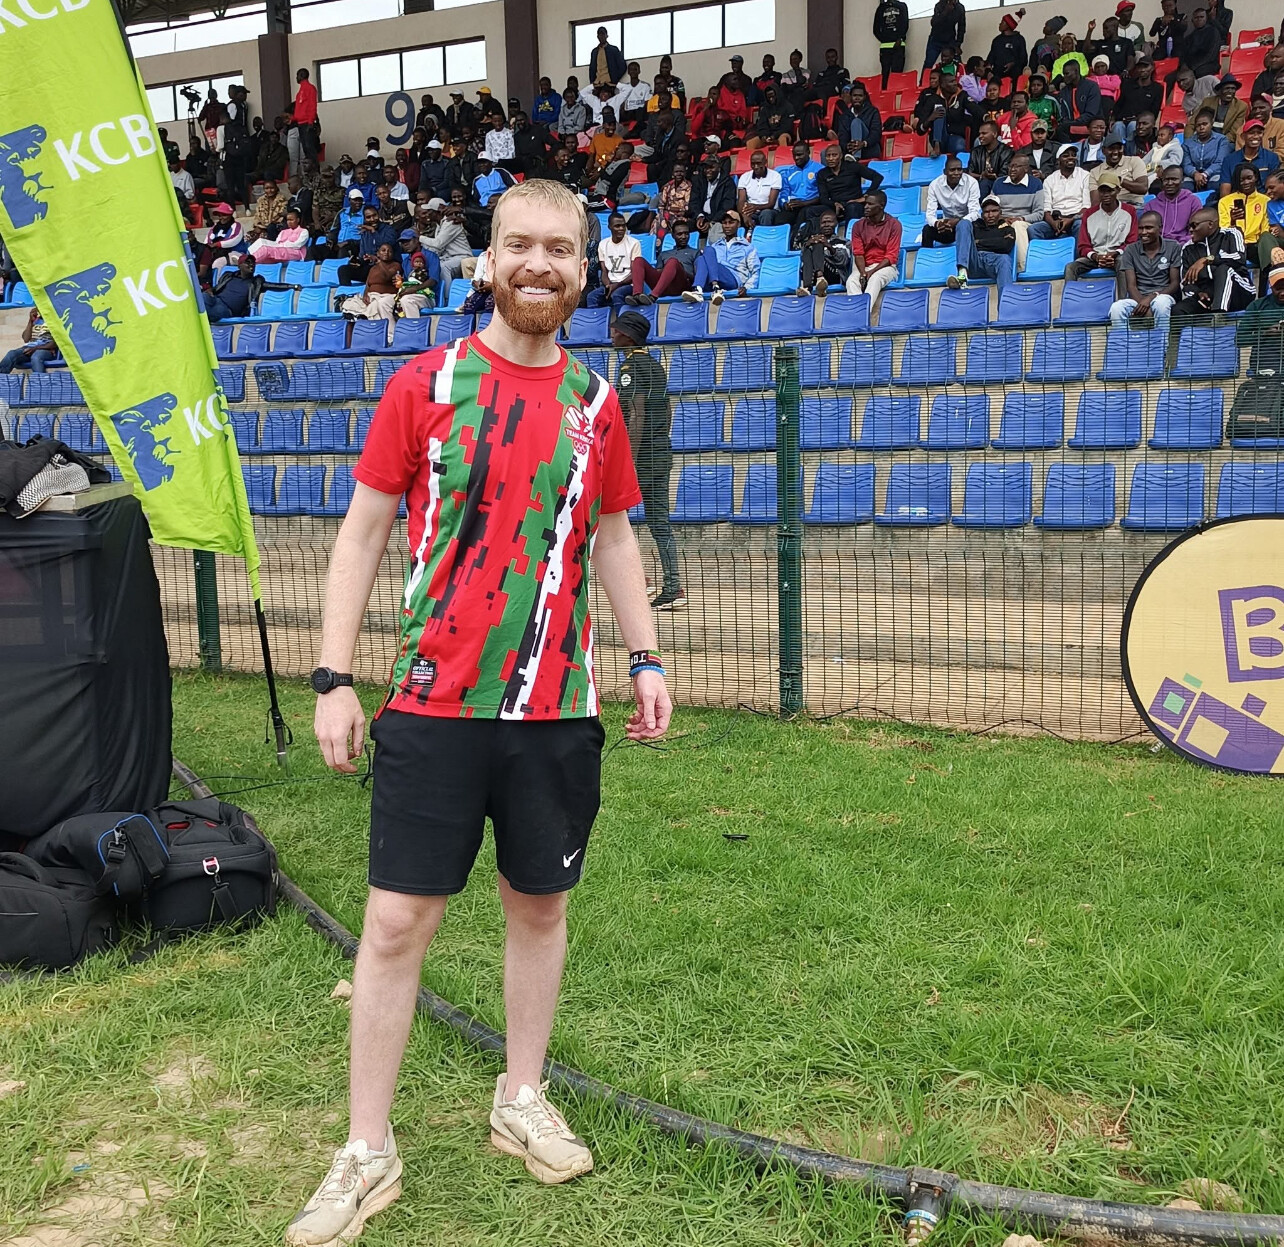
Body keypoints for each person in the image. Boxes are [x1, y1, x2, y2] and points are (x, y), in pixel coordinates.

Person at [295, 176, 670, 1247]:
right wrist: (332, 675)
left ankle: (520, 1095)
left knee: (538, 908)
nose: (538, 263)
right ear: (488, 260)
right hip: (433, 703)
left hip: (557, 708)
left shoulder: (597, 404)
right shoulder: (425, 385)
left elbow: (613, 535)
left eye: (560, 248)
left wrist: (645, 654)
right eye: (519, 245)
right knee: (394, 922)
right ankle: (366, 1147)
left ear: (584, 269)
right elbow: (363, 532)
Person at [611, 311, 685, 611]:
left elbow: (636, 412)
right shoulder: (656, 365)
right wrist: (659, 438)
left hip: (641, 457)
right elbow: (666, 409)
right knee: (659, 522)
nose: (612, 333)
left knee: (611, 519)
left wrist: (627, 457)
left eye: (617, 330)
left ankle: (639, 580)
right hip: (660, 451)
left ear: (629, 336)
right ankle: (672, 585)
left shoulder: (630, 366)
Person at [1174, 206, 1256, 315]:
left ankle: (1219, 313)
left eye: (1194, 225)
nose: (1190, 230)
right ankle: (1214, 309)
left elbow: (1240, 258)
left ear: (1210, 224)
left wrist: (1207, 259)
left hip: (1238, 291)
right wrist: (1198, 293)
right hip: (1208, 296)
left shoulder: (1231, 234)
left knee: (1223, 270)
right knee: (1178, 310)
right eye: (1189, 226)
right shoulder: (1188, 248)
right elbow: (1186, 281)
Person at [1110, 210, 1182, 329]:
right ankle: (1122, 340)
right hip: (1138, 298)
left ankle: (1161, 340)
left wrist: (1151, 298)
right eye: (1140, 228)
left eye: (1149, 228)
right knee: (1116, 308)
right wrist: (1143, 304)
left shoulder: (1173, 247)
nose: (1143, 232)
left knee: (1161, 303)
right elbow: (1131, 286)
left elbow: (1174, 283)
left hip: (1164, 296)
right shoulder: (1130, 250)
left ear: (1160, 228)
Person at [1064, 173, 1138, 278]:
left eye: (1110, 190)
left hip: (1119, 255)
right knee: (1070, 267)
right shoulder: (1089, 214)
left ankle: (1124, 290)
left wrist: (1115, 253)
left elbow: (1132, 241)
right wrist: (1096, 256)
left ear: (1118, 190)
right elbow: (1083, 245)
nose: (1106, 194)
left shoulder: (1130, 211)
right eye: (1102, 191)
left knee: (1123, 262)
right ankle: (1071, 290)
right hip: (1095, 256)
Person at [991, 152, 1055, 268]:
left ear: (1026, 169)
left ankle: (1022, 266)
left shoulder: (1035, 184)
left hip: (1024, 222)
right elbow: (991, 207)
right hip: (1002, 221)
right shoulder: (998, 183)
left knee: (1018, 225)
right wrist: (1002, 218)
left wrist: (1020, 218)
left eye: (1016, 166)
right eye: (1010, 166)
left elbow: (1039, 213)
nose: (1012, 169)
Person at [684, 210, 760, 303]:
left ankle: (706, 288)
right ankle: (704, 289)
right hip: (713, 280)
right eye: (724, 223)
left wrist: (747, 287)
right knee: (702, 257)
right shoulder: (716, 245)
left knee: (707, 251)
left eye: (731, 222)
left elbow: (755, 271)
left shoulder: (747, 247)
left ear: (738, 224)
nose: (727, 226)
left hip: (733, 279)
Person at [950, 194, 1018, 289]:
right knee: (963, 223)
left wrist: (978, 242)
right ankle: (962, 274)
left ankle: (1006, 297)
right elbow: (962, 239)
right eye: (986, 212)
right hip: (974, 260)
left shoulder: (1007, 229)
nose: (990, 215)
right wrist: (994, 242)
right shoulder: (974, 226)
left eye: (994, 211)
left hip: (994, 261)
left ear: (1000, 212)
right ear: (982, 215)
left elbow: (1006, 246)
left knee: (1005, 259)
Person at [203, 254, 298, 322]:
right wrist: (210, 290)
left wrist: (293, 286)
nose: (251, 264)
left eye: (253, 262)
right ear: (239, 266)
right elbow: (216, 288)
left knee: (208, 313)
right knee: (201, 297)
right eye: (247, 262)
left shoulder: (256, 282)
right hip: (215, 299)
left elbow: (274, 286)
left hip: (228, 309)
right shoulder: (228, 275)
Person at [624, 218, 697, 305]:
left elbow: (697, 277)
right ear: (673, 236)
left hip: (682, 285)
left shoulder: (695, 252)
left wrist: (679, 267)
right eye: (680, 234)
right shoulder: (664, 254)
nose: (684, 237)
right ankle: (637, 295)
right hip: (663, 286)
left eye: (686, 233)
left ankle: (653, 297)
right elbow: (658, 271)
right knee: (638, 260)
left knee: (673, 262)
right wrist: (667, 270)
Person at [1235, 257, 1284, 383]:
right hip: (1266, 360)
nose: (1282, 293)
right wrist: (1265, 333)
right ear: (1271, 285)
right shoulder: (1258, 306)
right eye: (1278, 288)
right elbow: (1239, 340)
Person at [848, 188, 901, 302]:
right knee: (851, 281)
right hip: (863, 267)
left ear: (881, 206)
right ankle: (857, 309)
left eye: (870, 204)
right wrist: (863, 273)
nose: (866, 207)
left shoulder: (894, 225)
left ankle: (864, 310)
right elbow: (858, 253)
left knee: (875, 279)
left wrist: (871, 272)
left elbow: (891, 256)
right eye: (865, 203)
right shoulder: (858, 226)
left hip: (885, 267)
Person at [816, 142, 883, 224]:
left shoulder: (853, 167)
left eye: (834, 155)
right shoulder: (822, 174)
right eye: (828, 156)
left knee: (852, 207)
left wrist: (866, 196)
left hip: (854, 204)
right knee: (809, 211)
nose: (831, 158)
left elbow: (877, 177)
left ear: (841, 156)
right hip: (835, 206)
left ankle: (849, 232)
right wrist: (834, 204)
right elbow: (823, 198)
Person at [924, 155, 980, 248]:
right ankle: (926, 255)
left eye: (959, 169)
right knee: (927, 230)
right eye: (952, 170)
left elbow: (974, 213)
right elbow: (930, 214)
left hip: (967, 224)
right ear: (945, 172)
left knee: (976, 226)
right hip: (948, 227)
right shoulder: (934, 185)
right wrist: (938, 224)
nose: (956, 173)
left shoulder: (972, 183)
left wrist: (959, 221)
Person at [587, 213, 640, 309]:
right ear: (609, 227)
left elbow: (635, 274)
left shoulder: (634, 243)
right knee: (591, 297)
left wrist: (617, 285)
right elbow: (604, 272)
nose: (621, 229)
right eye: (617, 226)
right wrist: (608, 286)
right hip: (611, 283)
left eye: (623, 225)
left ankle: (622, 318)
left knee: (616, 295)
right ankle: (596, 318)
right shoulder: (603, 244)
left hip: (628, 284)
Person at [795, 208, 854, 295]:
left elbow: (843, 261)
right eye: (823, 223)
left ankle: (813, 283)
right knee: (809, 247)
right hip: (814, 275)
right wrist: (807, 245)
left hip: (835, 275)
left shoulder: (844, 241)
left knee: (818, 244)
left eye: (830, 222)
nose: (826, 225)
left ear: (836, 223)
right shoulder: (813, 240)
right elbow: (804, 260)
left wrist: (828, 246)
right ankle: (814, 284)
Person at [777, 141, 825, 242]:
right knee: (780, 219)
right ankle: (779, 245)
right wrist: (785, 204)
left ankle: (795, 242)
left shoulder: (820, 170)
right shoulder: (789, 172)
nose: (796, 158)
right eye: (794, 155)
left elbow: (823, 194)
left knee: (803, 214)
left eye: (799, 155)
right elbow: (784, 192)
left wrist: (804, 203)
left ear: (808, 152)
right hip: (794, 206)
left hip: (811, 205)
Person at [339, 206, 399, 286]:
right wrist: (358, 261)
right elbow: (362, 255)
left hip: (387, 267)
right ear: (364, 219)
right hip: (370, 267)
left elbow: (386, 247)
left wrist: (373, 231)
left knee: (375, 272)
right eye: (368, 217)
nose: (372, 219)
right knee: (343, 270)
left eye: (374, 215)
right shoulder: (365, 233)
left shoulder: (389, 230)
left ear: (379, 215)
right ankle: (346, 292)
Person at [1220, 119, 1280, 196]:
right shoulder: (1229, 160)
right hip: (1237, 200)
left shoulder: (1272, 158)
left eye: (1259, 133)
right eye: (1251, 133)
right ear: (1243, 136)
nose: (1256, 136)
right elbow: (1225, 191)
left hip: (1263, 200)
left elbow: (1274, 188)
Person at [1041, 145, 1093, 234]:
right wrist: (1053, 223)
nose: (1071, 158)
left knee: (1080, 225)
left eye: (1073, 155)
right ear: (1058, 160)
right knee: (1034, 229)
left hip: (1076, 218)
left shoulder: (1085, 176)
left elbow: (1086, 206)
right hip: (1056, 219)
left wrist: (1071, 220)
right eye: (1066, 156)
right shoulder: (1050, 179)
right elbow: (1047, 209)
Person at [1218, 164, 1269, 247]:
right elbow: (1224, 229)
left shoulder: (1265, 200)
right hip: (1233, 243)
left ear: (1256, 177)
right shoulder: (1224, 202)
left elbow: (1265, 229)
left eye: (1249, 178)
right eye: (1241, 180)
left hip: (1256, 244)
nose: (1246, 182)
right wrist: (1233, 221)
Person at [1151, 164, 1206, 242]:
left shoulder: (1193, 201)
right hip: (1159, 245)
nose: (1170, 183)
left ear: (1182, 180)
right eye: (1166, 180)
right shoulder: (1151, 205)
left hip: (1185, 244)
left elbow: (1196, 230)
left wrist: (1181, 243)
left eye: (1174, 179)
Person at [1092, 136, 1149, 206]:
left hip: (1135, 205)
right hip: (1109, 207)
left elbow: (1143, 188)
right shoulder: (1095, 172)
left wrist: (1119, 180)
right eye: (1111, 149)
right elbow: (1095, 201)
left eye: (1119, 148)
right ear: (1103, 150)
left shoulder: (1134, 161)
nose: (1116, 152)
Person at [1054, 61, 1103, 143]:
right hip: (1071, 125)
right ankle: (1069, 149)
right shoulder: (1064, 92)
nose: (1064, 77)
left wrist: (1074, 122)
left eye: (1067, 74)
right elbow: (1063, 113)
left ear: (1076, 71)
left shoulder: (1091, 86)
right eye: (1064, 74)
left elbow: (1091, 113)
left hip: (1089, 123)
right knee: (1059, 129)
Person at [1182, 110, 1230, 191]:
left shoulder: (1221, 140)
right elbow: (1186, 164)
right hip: (1193, 175)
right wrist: (1195, 173)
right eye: (1198, 125)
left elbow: (1220, 162)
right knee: (1186, 188)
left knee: (1216, 186)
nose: (1202, 128)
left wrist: (1205, 174)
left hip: (1214, 173)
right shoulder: (1188, 143)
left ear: (1211, 124)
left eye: (1205, 124)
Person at [0, 307, 57, 373]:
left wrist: (35, 348)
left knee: (36, 357)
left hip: (46, 350)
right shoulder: (36, 321)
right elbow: (26, 339)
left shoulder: (55, 321)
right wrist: (31, 321)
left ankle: (40, 379)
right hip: (30, 348)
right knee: (11, 354)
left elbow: (55, 343)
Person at [736, 149, 782, 228]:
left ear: (765, 162)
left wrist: (755, 207)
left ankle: (764, 235)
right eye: (753, 164)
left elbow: (771, 204)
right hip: (751, 211)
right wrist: (744, 215)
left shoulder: (775, 176)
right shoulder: (744, 177)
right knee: (737, 216)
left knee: (766, 214)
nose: (756, 166)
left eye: (759, 163)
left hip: (769, 210)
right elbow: (741, 201)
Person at [967, 120, 1012, 197]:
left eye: (984, 133)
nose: (980, 136)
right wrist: (982, 175)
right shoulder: (975, 151)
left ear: (995, 134)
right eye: (979, 134)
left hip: (1000, 186)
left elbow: (1004, 176)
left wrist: (992, 176)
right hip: (977, 185)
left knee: (985, 183)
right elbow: (969, 173)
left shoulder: (1006, 151)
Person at [1176, 7, 1222, 82]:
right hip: (1190, 66)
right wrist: (1183, 66)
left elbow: (1210, 56)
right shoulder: (1189, 37)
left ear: (1206, 19)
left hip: (1209, 64)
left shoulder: (1213, 32)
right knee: (1170, 77)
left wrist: (1192, 67)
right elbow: (1183, 55)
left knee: (1193, 74)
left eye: (1201, 17)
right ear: (1192, 20)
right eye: (1196, 18)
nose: (1199, 19)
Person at [988, 10, 1028, 93]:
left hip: (1014, 73)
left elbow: (1023, 59)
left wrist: (1013, 64)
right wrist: (988, 70)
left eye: (1002, 22)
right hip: (998, 71)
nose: (999, 24)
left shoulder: (1019, 39)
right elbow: (991, 56)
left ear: (1008, 25)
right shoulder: (997, 40)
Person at [873, 0, 910, 89]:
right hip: (885, 47)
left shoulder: (902, 6)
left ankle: (895, 93)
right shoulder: (881, 7)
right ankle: (885, 94)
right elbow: (876, 28)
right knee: (885, 74)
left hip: (899, 45)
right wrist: (884, 39)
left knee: (897, 74)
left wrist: (900, 38)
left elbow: (905, 24)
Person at [1118, 59, 1164, 125]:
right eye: (1140, 67)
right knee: (1117, 126)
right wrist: (1113, 118)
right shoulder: (1127, 84)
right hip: (1122, 120)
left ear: (1152, 68)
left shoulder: (1157, 88)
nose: (1142, 69)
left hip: (1141, 122)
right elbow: (1120, 103)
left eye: (1145, 67)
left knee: (1133, 125)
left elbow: (1154, 111)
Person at [924, 0, 967, 71]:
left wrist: (958, 44)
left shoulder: (960, 8)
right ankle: (924, 78)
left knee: (958, 63)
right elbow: (934, 23)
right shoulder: (939, 5)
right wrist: (946, 11)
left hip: (950, 40)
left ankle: (960, 77)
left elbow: (961, 27)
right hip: (936, 39)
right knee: (929, 64)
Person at [1208, 75, 1248, 146]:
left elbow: (1234, 133)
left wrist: (1216, 143)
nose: (1230, 91)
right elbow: (1193, 123)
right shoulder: (1208, 102)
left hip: (1226, 142)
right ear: (1220, 90)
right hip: (1206, 139)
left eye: (1233, 89)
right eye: (1227, 88)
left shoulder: (1241, 106)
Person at [291, 68, 320, 168]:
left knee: (309, 147)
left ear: (302, 75)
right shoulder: (300, 92)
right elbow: (299, 110)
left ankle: (316, 170)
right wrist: (292, 118)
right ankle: (310, 171)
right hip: (300, 123)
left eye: (297, 75)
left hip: (307, 123)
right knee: (305, 149)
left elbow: (312, 106)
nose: (296, 78)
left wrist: (311, 121)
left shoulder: (310, 88)